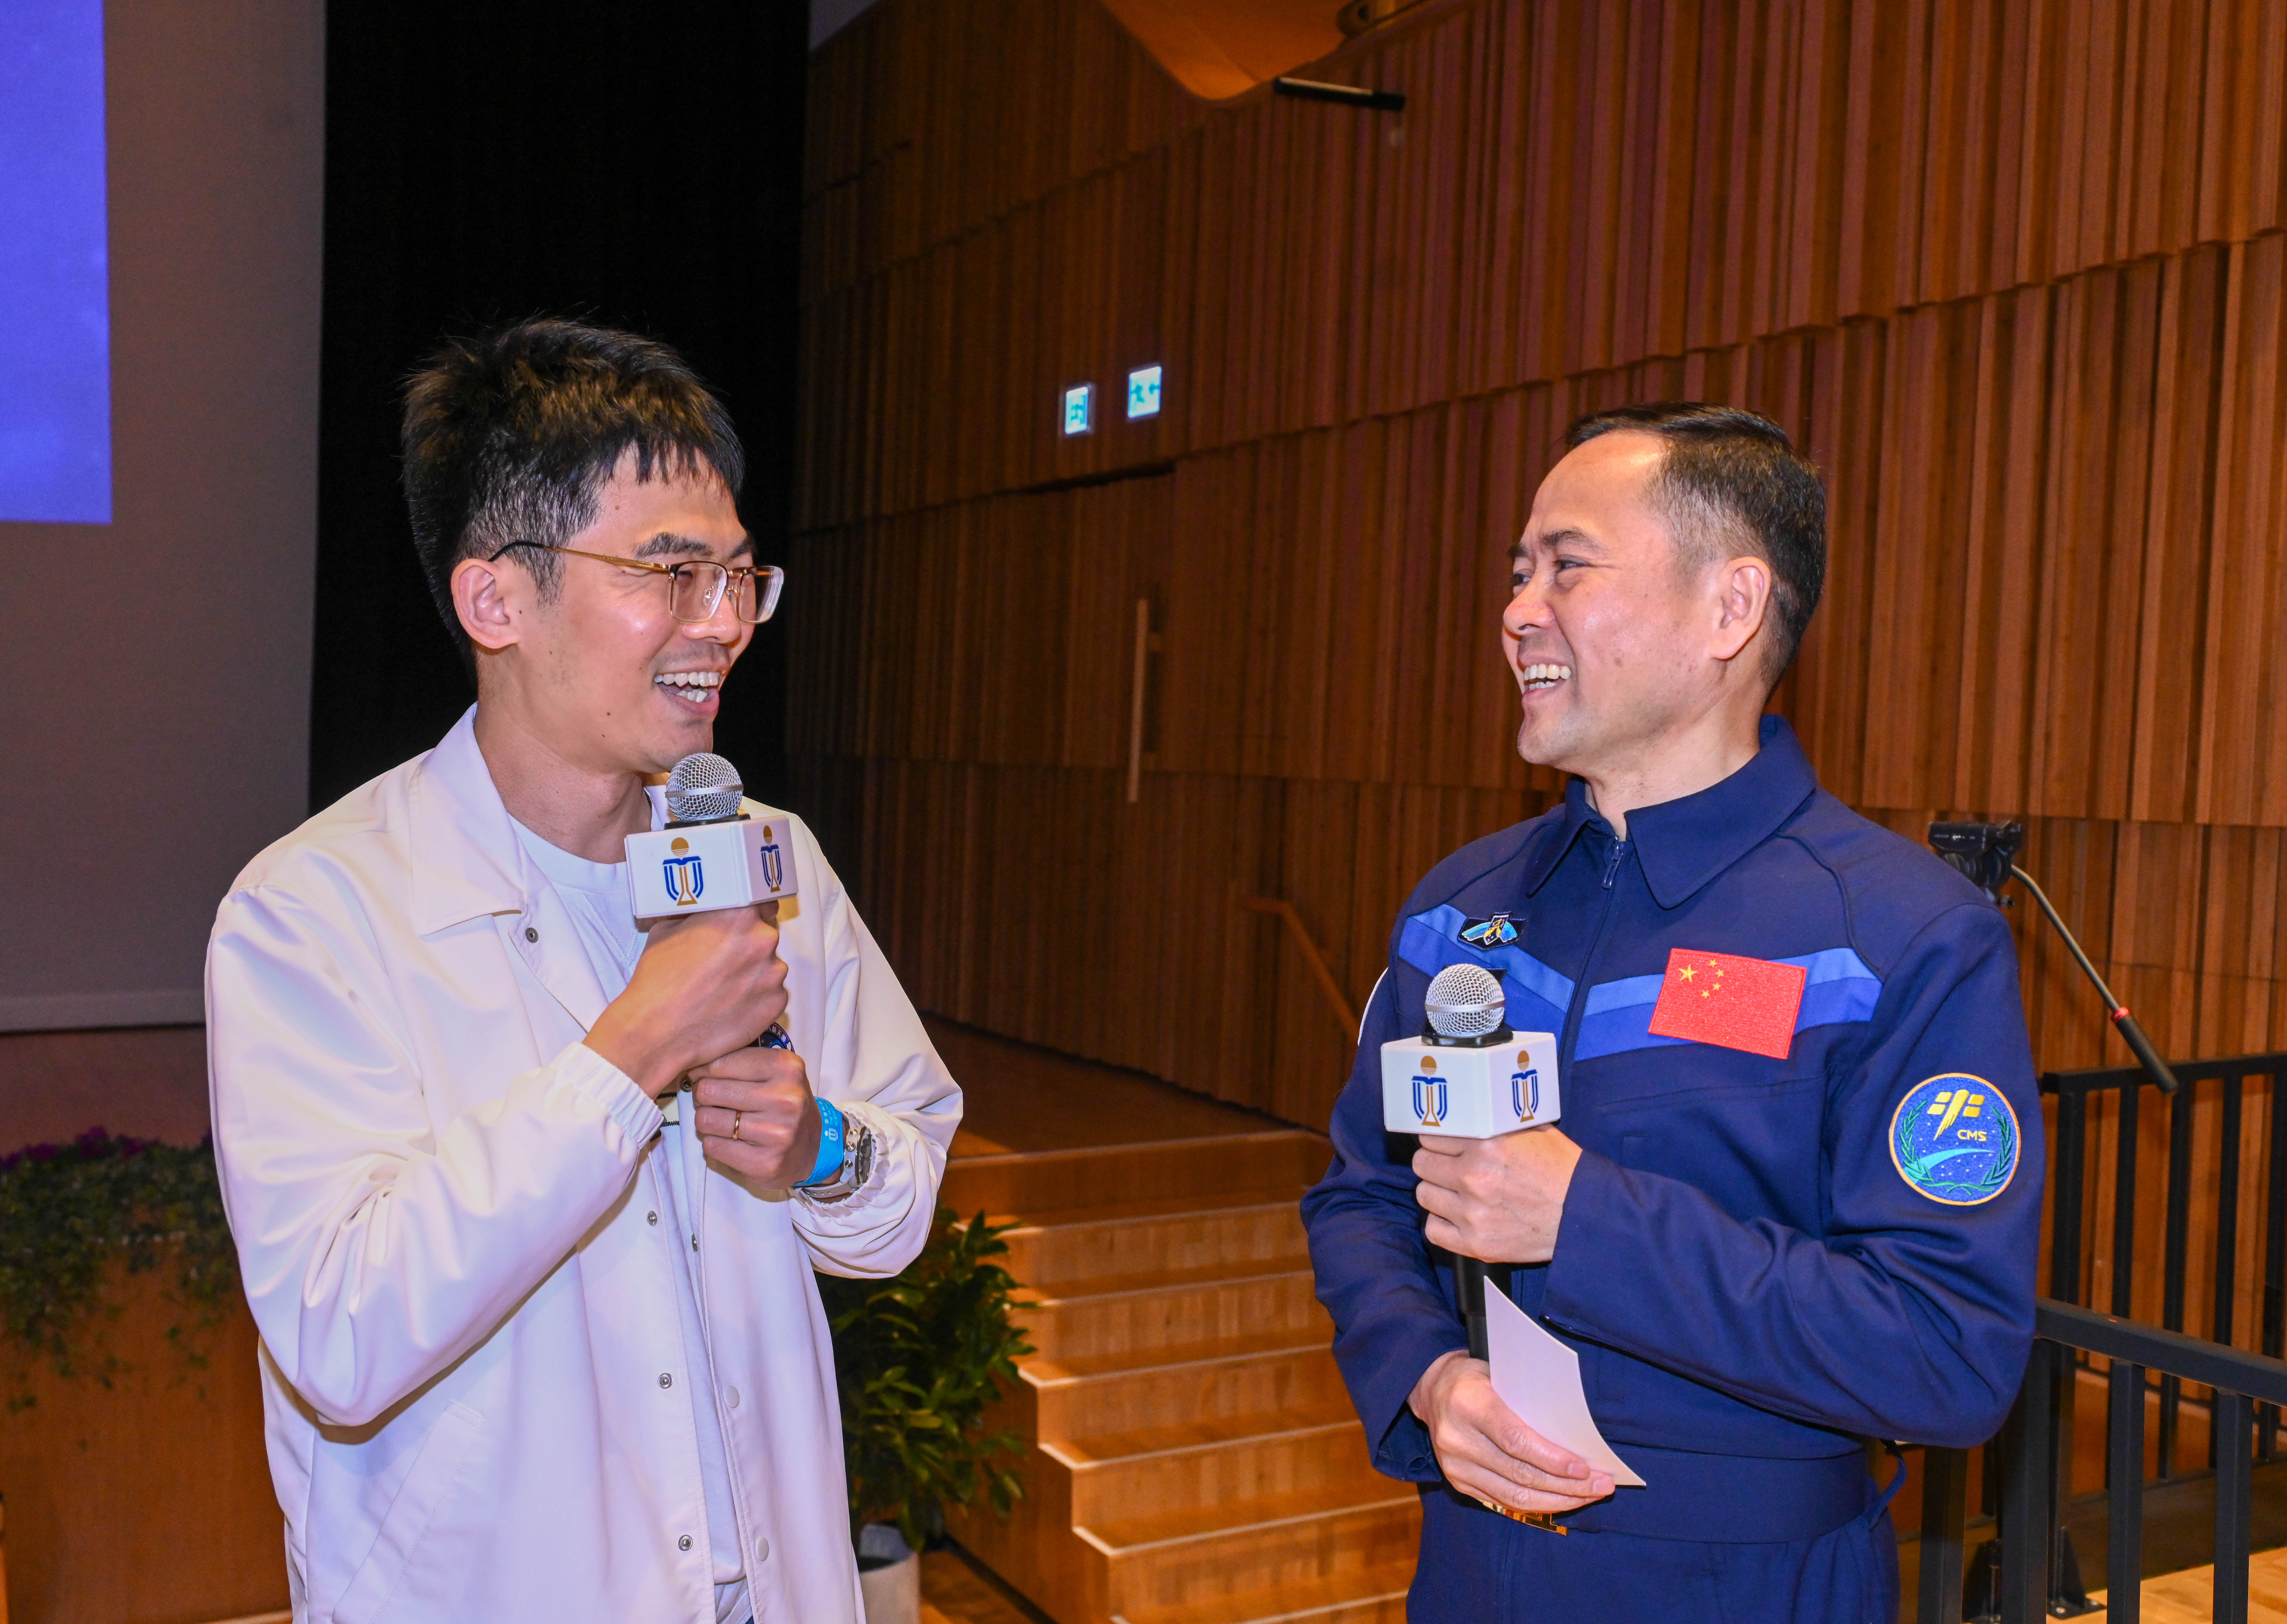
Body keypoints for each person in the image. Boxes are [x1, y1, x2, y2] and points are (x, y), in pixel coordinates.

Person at [206, 319, 961, 1624]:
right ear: (496, 598)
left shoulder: (774, 860)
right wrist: (627, 1055)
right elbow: (341, 1332)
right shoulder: (315, 910)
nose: (721, 623)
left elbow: (898, 1202)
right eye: (670, 571)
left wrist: (821, 1149)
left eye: (740, 576)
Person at [1302, 403, 2043, 1621]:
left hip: (1752, 1580)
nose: (1518, 608)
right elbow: (1363, 1197)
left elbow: (1946, 1350)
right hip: (1475, 1564)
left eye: (1569, 566)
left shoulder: (1903, 938)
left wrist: (1583, 1217)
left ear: (1730, 609)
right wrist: (1425, 1376)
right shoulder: (1459, 909)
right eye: (1518, 570)